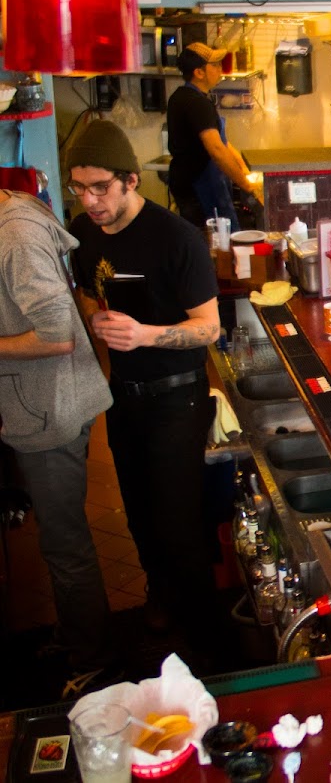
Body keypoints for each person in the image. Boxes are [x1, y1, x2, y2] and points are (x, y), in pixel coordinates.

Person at [66, 121, 224, 655]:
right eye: (79, 188)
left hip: (177, 396)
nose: (90, 201)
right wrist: (95, 318)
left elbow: (209, 327)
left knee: (179, 523)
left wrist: (146, 334)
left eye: (100, 188)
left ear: (130, 180)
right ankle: (161, 595)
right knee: (138, 513)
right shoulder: (83, 232)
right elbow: (88, 291)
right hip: (123, 396)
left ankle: (208, 638)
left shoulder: (176, 238)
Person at [0, 187, 117, 695]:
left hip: (48, 406)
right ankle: (76, 634)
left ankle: (94, 659)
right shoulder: (16, 210)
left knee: (64, 542)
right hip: (48, 399)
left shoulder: (15, 234)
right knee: (60, 537)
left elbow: (56, 335)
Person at [166, 42, 260, 230]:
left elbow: (224, 143)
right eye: (215, 65)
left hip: (192, 184)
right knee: (215, 240)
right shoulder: (196, 103)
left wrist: (244, 170)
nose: (220, 69)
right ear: (199, 72)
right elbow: (216, 149)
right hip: (200, 188)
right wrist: (246, 185)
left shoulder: (182, 96)